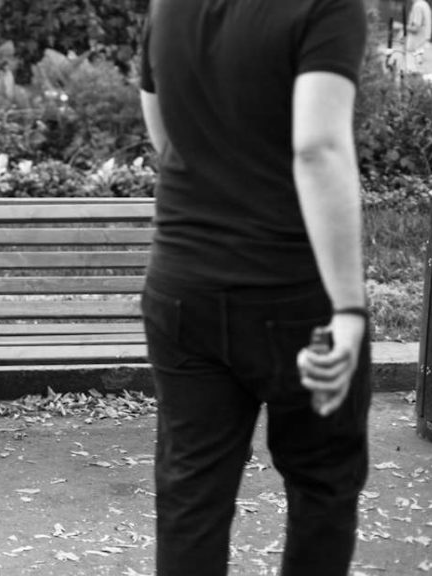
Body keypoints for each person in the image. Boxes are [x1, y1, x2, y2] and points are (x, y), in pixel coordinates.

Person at [139, 1, 370, 575]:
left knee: (190, 498)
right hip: (293, 294)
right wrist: (348, 308)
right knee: (321, 489)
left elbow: (164, 136)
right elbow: (318, 149)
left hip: (181, 288)